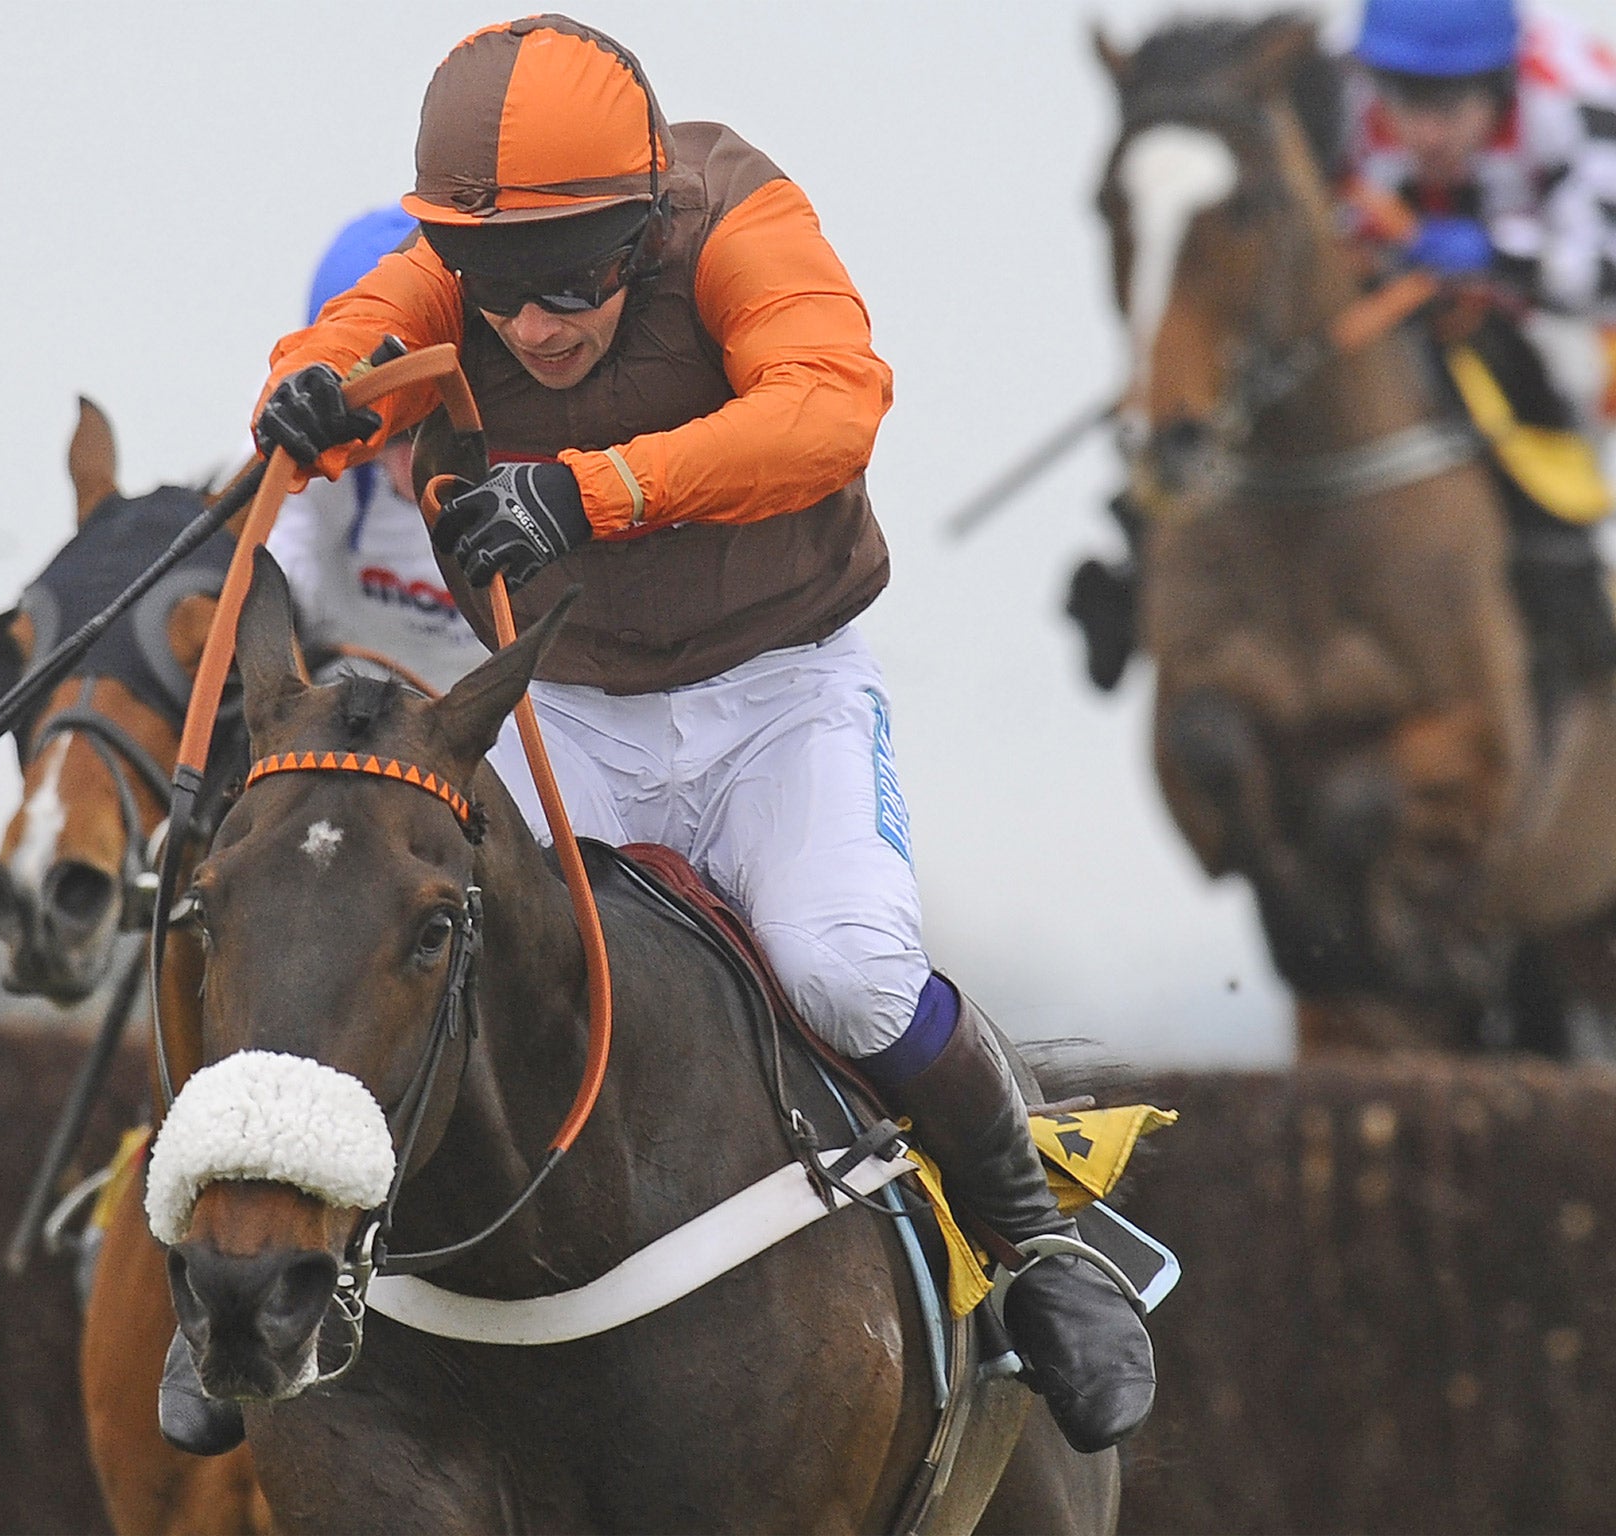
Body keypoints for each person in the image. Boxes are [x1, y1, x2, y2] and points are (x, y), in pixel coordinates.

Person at [164, 14, 1154, 1458]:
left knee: (849, 971)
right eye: (500, 290)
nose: (537, 324)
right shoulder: (457, 276)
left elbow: (833, 407)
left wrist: (591, 491)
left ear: (639, 229)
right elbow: (350, 330)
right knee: (360, 923)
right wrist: (309, 391)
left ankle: (1036, 1245)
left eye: (573, 281)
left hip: (781, 699)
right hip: (567, 714)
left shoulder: (742, 211)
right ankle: (247, 1286)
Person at [1069, 0, 1616, 700]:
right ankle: (1139, 560)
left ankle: (1570, 580)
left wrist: (1491, 254)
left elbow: (1598, 273)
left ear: (1506, 80)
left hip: (1556, 312)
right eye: (1404, 96)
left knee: (1566, 373)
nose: (1424, 128)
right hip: (1402, 300)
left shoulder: (1579, 100)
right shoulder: (1335, 88)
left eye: (1451, 102)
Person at [255, 206, 493, 694]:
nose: (412, 460)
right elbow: (278, 567)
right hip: (348, 715)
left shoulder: (536, 439)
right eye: (392, 431)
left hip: (499, 727)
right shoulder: (306, 438)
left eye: (430, 423)